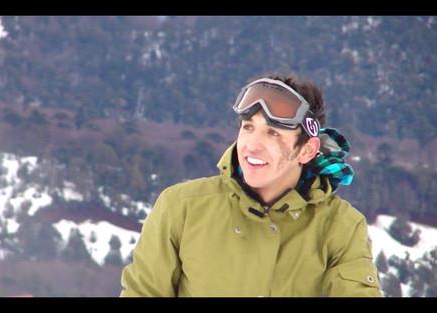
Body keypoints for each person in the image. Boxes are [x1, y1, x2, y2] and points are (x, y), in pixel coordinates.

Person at [120, 73, 382, 297]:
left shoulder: (340, 227)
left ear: (306, 150)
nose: (252, 145)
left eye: (273, 133)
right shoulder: (181, 209)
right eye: (248, 127)